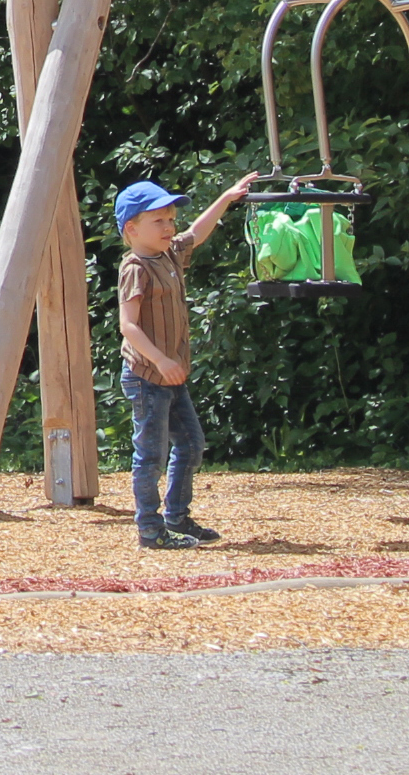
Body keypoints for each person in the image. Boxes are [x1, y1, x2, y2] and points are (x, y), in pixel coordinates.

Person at [115, 173, 256, 550]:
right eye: (158, 220)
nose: (169, 226)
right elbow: (128, 326)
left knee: (192, 445)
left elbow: (197, 230)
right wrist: (161, 360)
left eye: (170, 219)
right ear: (132, 228)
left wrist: (226, 197)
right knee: (150, 455)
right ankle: (149, 528)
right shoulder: (135, 268)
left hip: (170, 376)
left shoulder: (170, 254)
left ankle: (177, 516)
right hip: (147, 376)